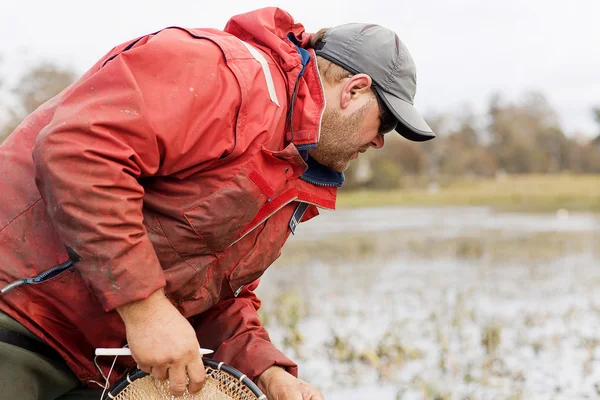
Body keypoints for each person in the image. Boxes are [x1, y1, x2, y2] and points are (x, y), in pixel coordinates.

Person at [0, 6, 434, 400]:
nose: (380, 141)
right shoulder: (225, 73)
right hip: (17, 315)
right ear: (354, 90)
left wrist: (267, 371)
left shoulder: (292, 173)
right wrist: (145, 307)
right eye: (388, 121)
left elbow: (214, 296)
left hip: (97, 360)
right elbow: (77, 153)